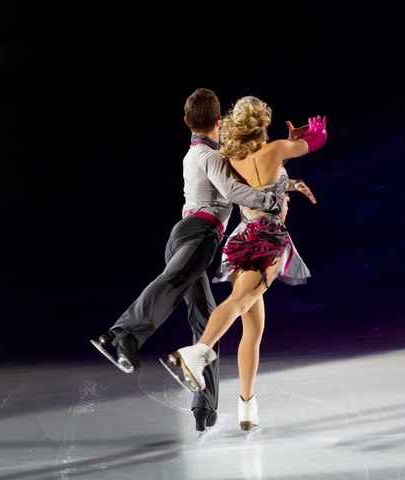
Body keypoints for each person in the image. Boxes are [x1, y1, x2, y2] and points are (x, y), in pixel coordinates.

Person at [90, 88, 283, 432]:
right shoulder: (210, 158)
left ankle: (203, 406)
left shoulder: (195, 153)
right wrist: (268, 202)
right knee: (173, 282)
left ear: (186, 122)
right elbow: (233, 192)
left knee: (206, 318)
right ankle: (122, 335)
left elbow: (241, 167)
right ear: (219, 121)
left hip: (183, 233)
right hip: (200, 235)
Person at [162, 96, 328, 431]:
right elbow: (319, 139)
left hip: (242, 237)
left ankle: (247, 406)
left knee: (253, 327)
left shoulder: (230, 158)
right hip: (267, 239)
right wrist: (305, 134)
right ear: (262, 124)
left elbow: (251, 189)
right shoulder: (275, 149)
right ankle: (196, 354)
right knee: (239, 302)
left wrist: (289, 185)